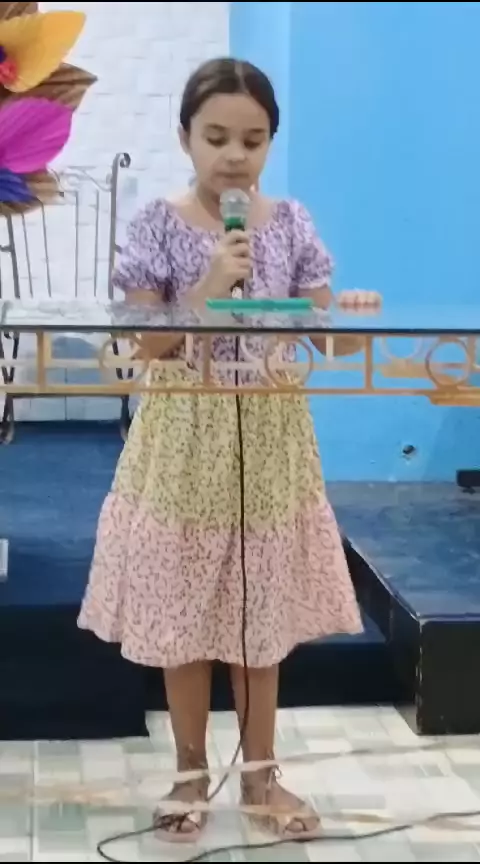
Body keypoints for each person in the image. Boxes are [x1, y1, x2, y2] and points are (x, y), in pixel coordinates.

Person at [78, 57, 381, 842]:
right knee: (183, 608)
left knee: (260, 612)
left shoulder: (292, 224)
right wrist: (209, 288)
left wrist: (351, 315)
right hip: (186, 438)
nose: (235, 156)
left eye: (252, 139)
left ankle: (260, 777)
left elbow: (326, 339)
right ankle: (189, 773)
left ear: (271, 141)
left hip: (272, 438)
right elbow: (145, 345)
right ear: (185, 137)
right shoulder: (156, 225)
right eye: (216, 137)